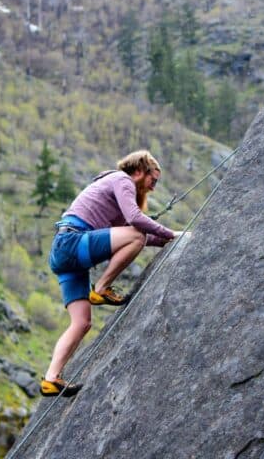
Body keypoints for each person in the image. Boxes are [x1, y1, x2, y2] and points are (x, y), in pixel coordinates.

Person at [40, 150, 180, 397]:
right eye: (153, 181)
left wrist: (173, 237)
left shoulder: (111, 192)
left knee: (82, 323)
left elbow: (132, 235)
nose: (153, 188)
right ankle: (102, 288)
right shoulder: (122, 180)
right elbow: (135, 223)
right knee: (136, 233)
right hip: (73, 242)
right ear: (139, 172)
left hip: (65, 253)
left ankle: (51, 378)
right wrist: (168, 233)